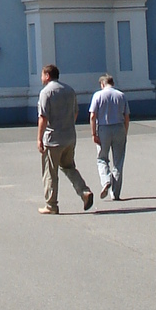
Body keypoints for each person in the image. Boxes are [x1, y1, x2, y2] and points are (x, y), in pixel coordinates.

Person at [36, 63, 94, 215]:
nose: (41, 78)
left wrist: (39, 138)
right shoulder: (69, 90)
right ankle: (84, 191)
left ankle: (51, 205)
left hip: (53, 139)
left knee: (50, 172)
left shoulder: (46, 93)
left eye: (42, 75)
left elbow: (43, 117)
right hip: (69, 137)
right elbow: (75, 112)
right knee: (69, 167)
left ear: (47, 76)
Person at [89, 72, 131, 200]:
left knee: (102, 158)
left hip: (103, 129)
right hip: (119, 127)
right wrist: (125, 131)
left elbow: (92, 116)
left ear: (102, 84)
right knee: (118, 161)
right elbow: (127, 116)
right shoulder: (121, 95)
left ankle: (106, 180)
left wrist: (93, 133)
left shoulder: (98, 95)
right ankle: (115, 193)